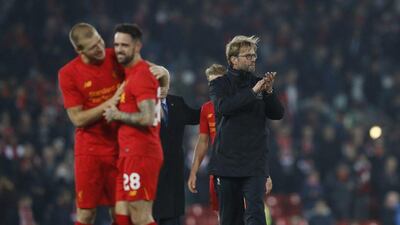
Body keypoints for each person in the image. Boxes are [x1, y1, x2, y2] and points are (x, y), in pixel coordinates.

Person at [58, 23, 169, 225]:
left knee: (121, 212)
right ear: (79, 50)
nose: (101, 48)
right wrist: (111, 103)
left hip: (122, 148)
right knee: (86, 214)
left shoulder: (116, 57)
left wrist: (166, 79)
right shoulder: (68, 73)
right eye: (93, 47)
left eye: (100, 41)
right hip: (90, 150)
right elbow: (77, 119)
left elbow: (151, 71)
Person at [209, 35, 284, 225]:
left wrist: (268, 92)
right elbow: (223, 107)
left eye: (254, 55)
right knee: (229, 218)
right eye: (248, 56)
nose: (253, 59)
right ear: (233, 59)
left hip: (254, 163)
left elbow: (277, 113)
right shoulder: (219, 84)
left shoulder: (260, 84)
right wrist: (253, 92)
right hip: (228, 163)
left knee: (255, 215)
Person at [103, 23, 165, 225]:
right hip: (128, 153)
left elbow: (146, 117)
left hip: (141, 153)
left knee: (140, 216)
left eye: (124, 45)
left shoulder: (141, 75)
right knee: (121, 214)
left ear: (137, 46)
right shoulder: (130, 74)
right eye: (116, 45)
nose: (119, 50)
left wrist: (117, 114)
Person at [152, 94, 200, 225]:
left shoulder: (177, 102)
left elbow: (196, 116)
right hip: (150, 172)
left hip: (173, 174)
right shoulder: (141, 103)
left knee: (172, 218)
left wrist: (214, 104)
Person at [187, 64, 227, 212]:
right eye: (211, 83)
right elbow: (203, 142)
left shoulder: (239, 104)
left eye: (217, 81)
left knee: (241, 213)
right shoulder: (206, 109)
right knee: (220, 213)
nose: (214, 86)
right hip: (217, 168)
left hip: (239, 166)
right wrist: (193, 171)